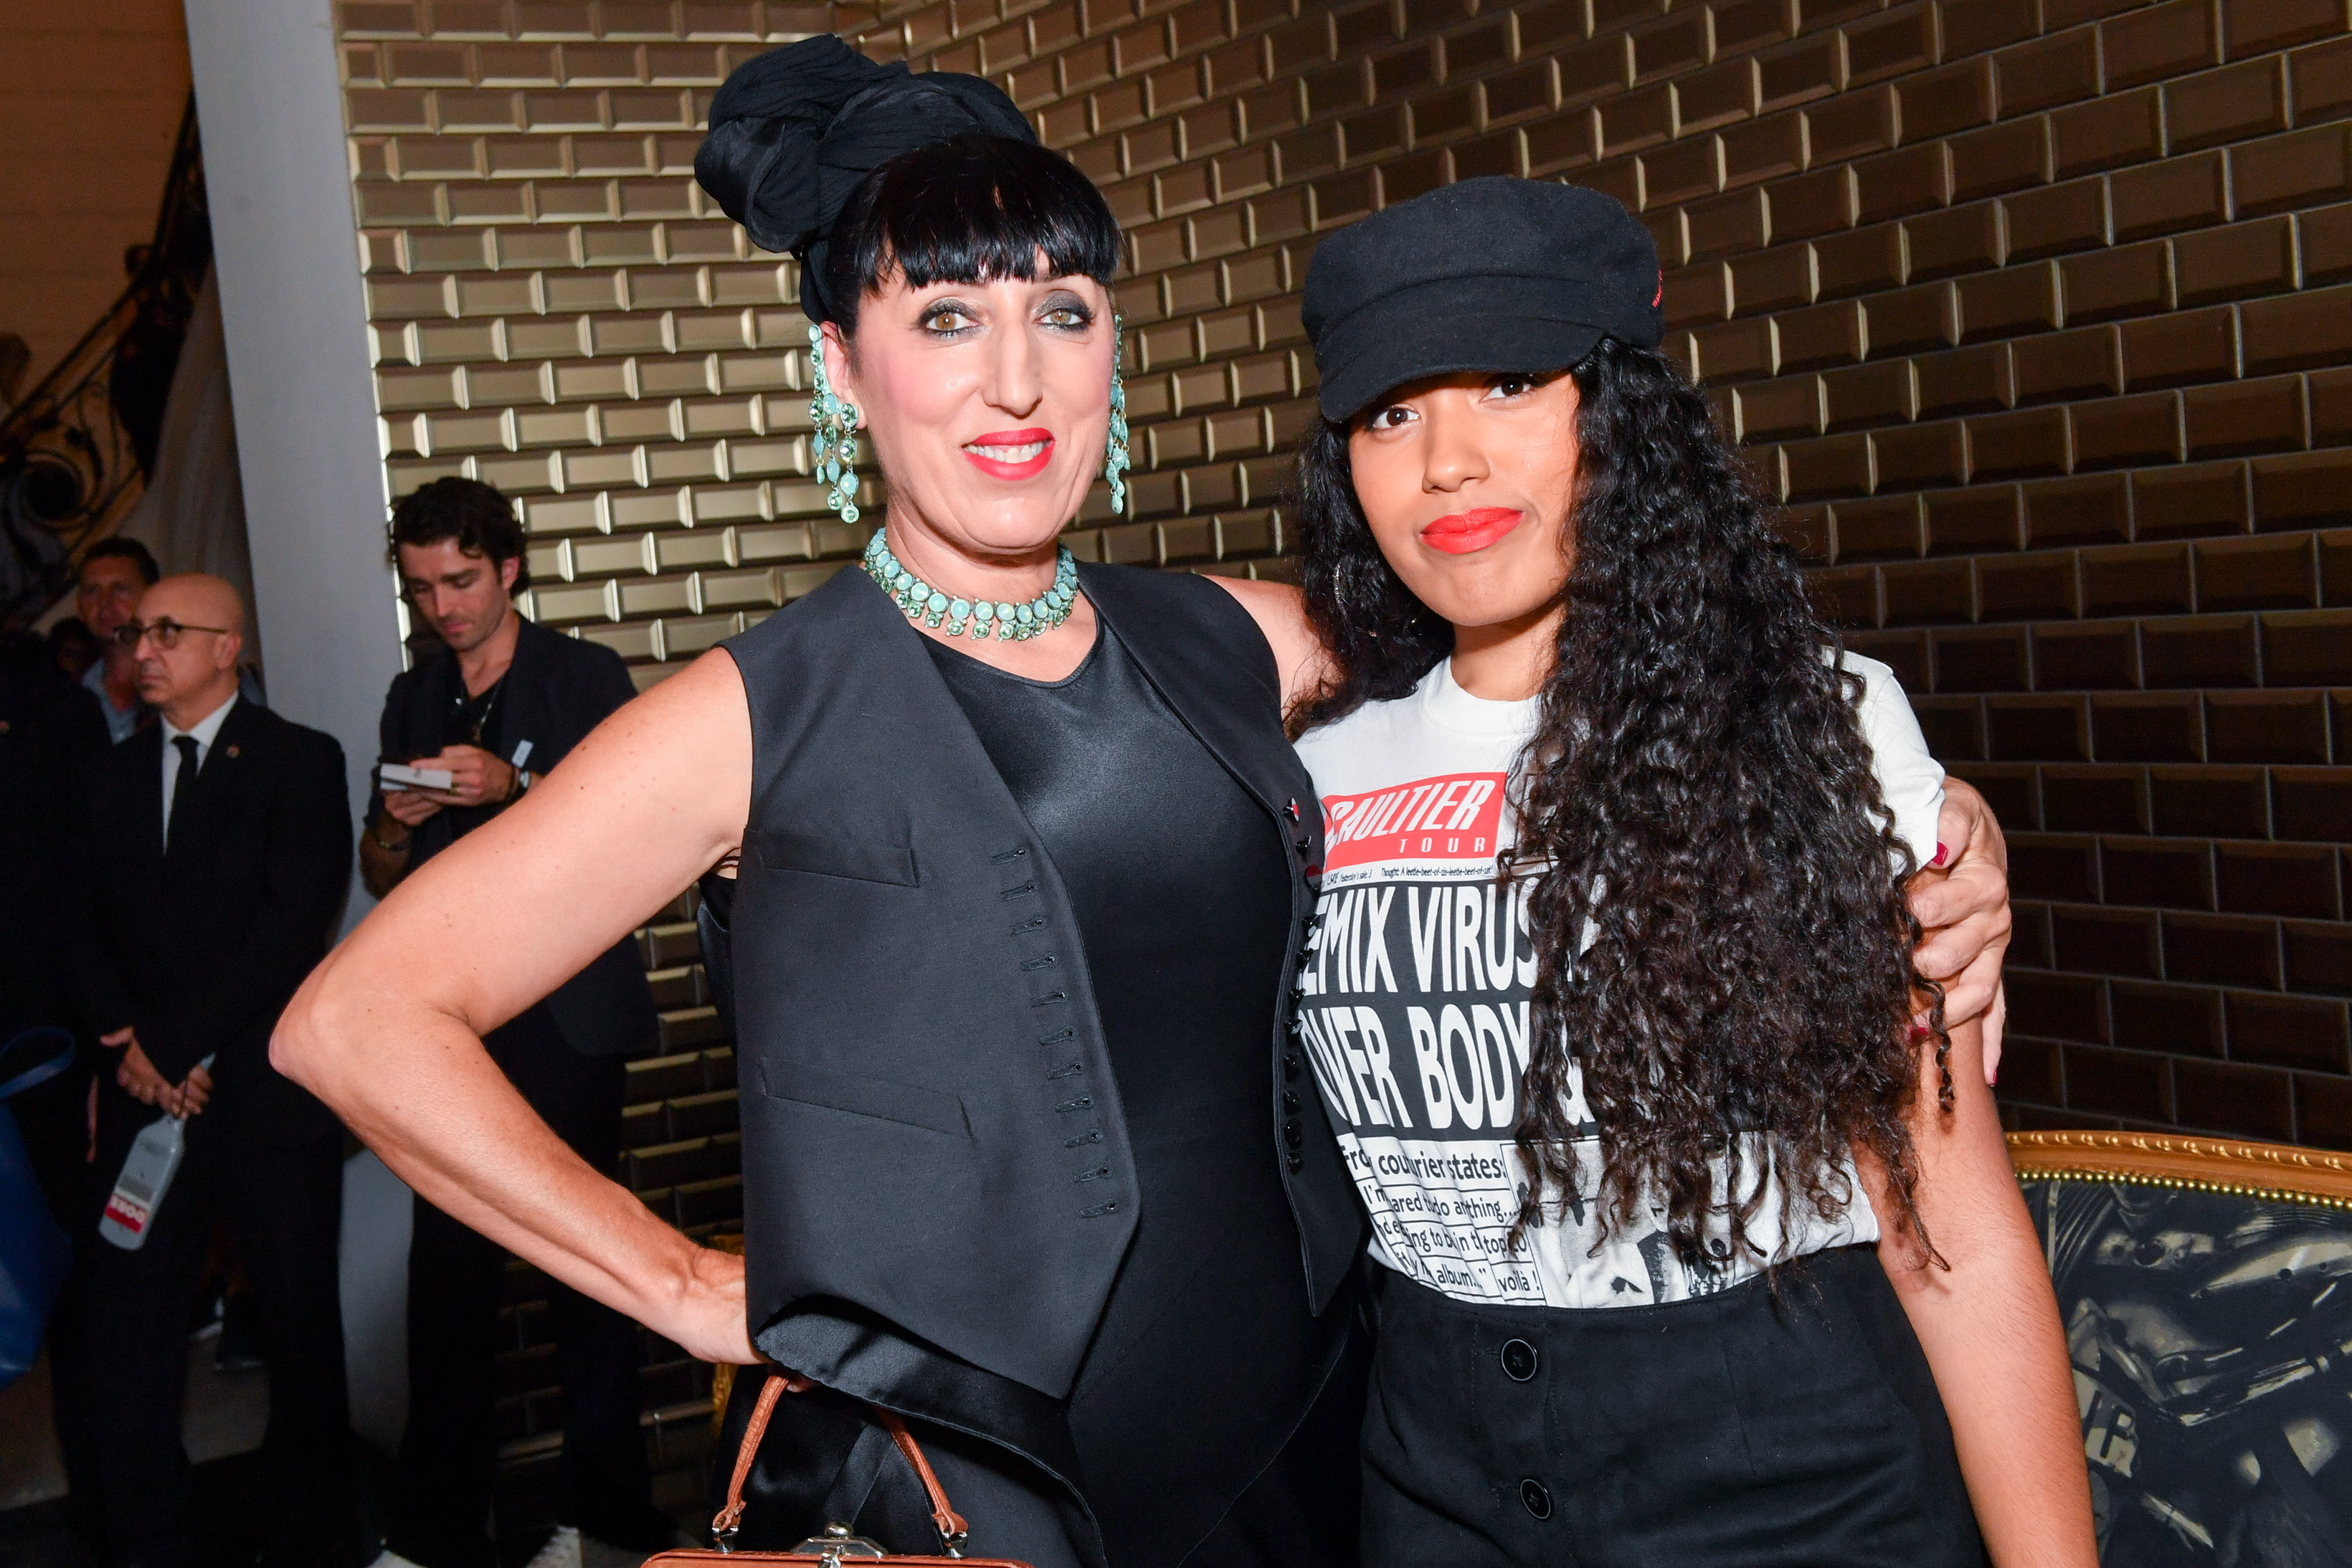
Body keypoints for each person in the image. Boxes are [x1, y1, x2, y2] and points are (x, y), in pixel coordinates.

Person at [270, 39, 2016, 1568]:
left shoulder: (1237, 638)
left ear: (1114, 345)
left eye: (1060, 310)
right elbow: (359, 1020)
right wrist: (679, 1282)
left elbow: (1584, 655)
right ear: (837, 365)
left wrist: (1937, 820)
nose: (1011, 378)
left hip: (1340, 1442)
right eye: (943, 316)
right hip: (995, 1484)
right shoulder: (751, 711)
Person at [1281, 178, 2090, 1566]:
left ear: (1623, 414)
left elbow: (1947, 1234)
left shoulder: (1803, 725)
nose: (1447, 463)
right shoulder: (1311, 756)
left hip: (1788, 1476)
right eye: (1389, 412)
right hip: (1430, 1470)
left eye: (1510, 382)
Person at [361, 475, 674, 1568]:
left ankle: (606, 1526)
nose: (443, 607)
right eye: (422, 589)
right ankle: (438, 1526)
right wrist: (398, 826)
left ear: (509, 569)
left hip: (568, 1018)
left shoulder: (582, 675)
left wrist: (508, 787)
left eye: (459, 581)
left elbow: (631, 839)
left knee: (586, 1275)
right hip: (453, 1023)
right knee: (445, 1284)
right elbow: (378, 869)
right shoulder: (415, 696)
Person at [62, 573, 357, 1568]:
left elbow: (290, 920)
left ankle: (312, 1527)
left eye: (168, 631)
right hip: (145, 1091)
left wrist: (176, 1041)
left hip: (261, 1095)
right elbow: (74, 923)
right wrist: (130, 1043)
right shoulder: (104, 776)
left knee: (299, 1320)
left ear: (228, 647)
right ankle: (146, 1536)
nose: (144, 648)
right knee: (127, 1326)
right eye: (139, 632)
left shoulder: (297, 760)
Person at [0, 637, 110, 1558]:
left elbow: (83, 891)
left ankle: (102, 1512)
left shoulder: (45, 705)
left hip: (38, 1049)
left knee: (65, 1281)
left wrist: (101, 1055)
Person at [75, 536, 159, 743]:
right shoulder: (69, 695)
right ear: (79, 608)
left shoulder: (197, 683)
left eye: (120, 588)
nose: (105, 603)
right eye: (92, 591)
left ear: (154, 596)